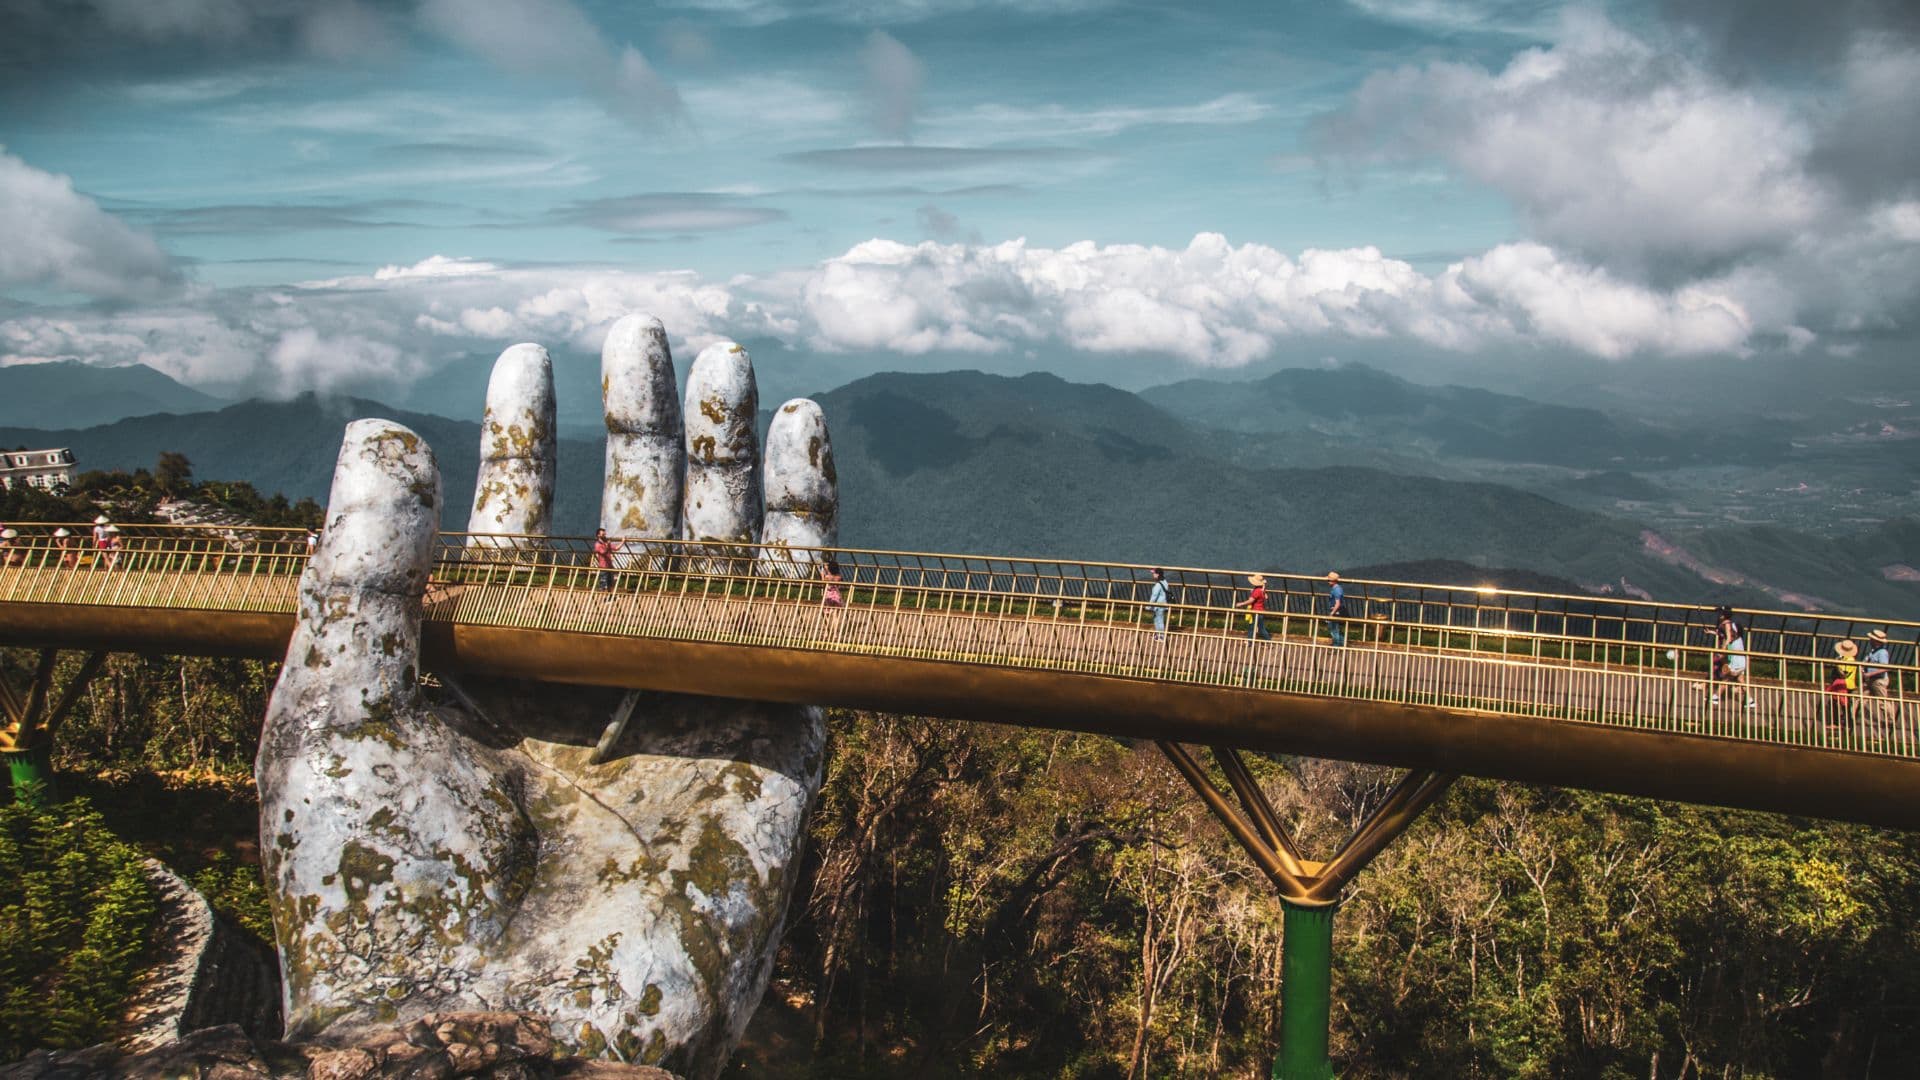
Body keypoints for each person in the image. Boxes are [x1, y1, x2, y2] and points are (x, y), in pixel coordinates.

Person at [1708, 606, 1756, 709]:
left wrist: (1723, 649)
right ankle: (1750, 700)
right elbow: (1725, 634)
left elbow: (1729, 638)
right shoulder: (1730, 624)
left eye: (1720, 613)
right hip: (1739, 656)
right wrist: (1711, 632)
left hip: (1736, 657)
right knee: (1739, 678)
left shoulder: (1727, 624)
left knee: (1727, 677)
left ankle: (1715, 697)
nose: (1719, 615)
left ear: (1723, 615)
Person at [1863, 629, 1895, 724]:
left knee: (1882, 701)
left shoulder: (1882, 653)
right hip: (1871, 680)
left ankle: (1890, 720)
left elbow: (1885, 668)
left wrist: (1870, 674)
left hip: (1878, 680)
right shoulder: (1873, 652)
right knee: (1860, 698)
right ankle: (1851, 715)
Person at [1827, 639, 1860, 730]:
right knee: (1836, 703)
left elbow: (1844, 674)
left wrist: (1837, 665)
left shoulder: (1850, 660)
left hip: (1846, 685)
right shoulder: (1843, 658)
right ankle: (1838, 722)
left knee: (1844, 705)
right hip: (1841, 684)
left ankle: (1846, 724)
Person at [1235, 573, 1271, 640]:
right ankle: (1250, 641)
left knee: (1259, 628)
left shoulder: (1257, 591)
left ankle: (1268, 641)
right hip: (1260, 610)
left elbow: (1251, 601)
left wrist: (1241, 604)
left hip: (1256, 611)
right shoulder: (1262, 590)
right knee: (1254, 627)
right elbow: (1266, 597)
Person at [592, 528, 622, 596]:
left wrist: (623, 542)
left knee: (611, 582)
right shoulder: (597, 544)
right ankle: (601, 597)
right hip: (603, 566)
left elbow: (616, 548)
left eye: (605, 534)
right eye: (603, 534)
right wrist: (607, 545)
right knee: (603, 583)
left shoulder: (606, 543)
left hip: (609, 565)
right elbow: (603, 552)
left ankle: (610, 596)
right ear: (598, 535)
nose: (605, 535)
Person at [1147, 568, 1171, 642]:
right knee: (1158, 619)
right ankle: (1158, 635)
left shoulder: (1158, 584)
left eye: (1154, 573)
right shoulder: (1165, 582)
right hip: (1164, 604)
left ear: (1158, 574)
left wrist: (1149, 605)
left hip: (1158, 605)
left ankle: (1161, 636)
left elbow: (1154, 596)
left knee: (1158, 620)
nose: (1153, 575)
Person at [1326, 571, 1347, 647]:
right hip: (1336, 611)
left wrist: (1332, 613)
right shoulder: (1337, 588)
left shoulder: (1336, 590)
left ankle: (1337, 645)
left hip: (1336, 611)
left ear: (1333, 581)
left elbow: (1337, 603)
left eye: (1329, 580)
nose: (1328, 582)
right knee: (1334, 628)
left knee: (1334, 629)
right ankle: (1341, 643)